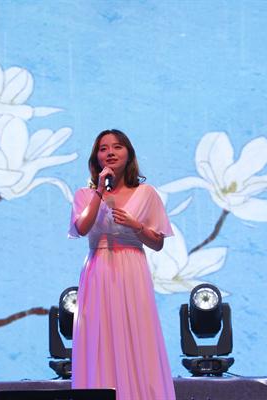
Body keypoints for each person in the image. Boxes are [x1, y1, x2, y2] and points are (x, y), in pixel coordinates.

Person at [68, 129, 176, 400]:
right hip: (98, 270)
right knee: (99, 338)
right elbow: (81, 228)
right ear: (96, 158)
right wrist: (99, 192)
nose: (110, 153)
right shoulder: (84, 194)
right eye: (103, 148)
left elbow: (157, 243)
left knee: (137, 336)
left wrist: (136, 225)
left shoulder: (146, 193)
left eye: (117, 147)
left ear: (128, 154)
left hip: (132, 269)